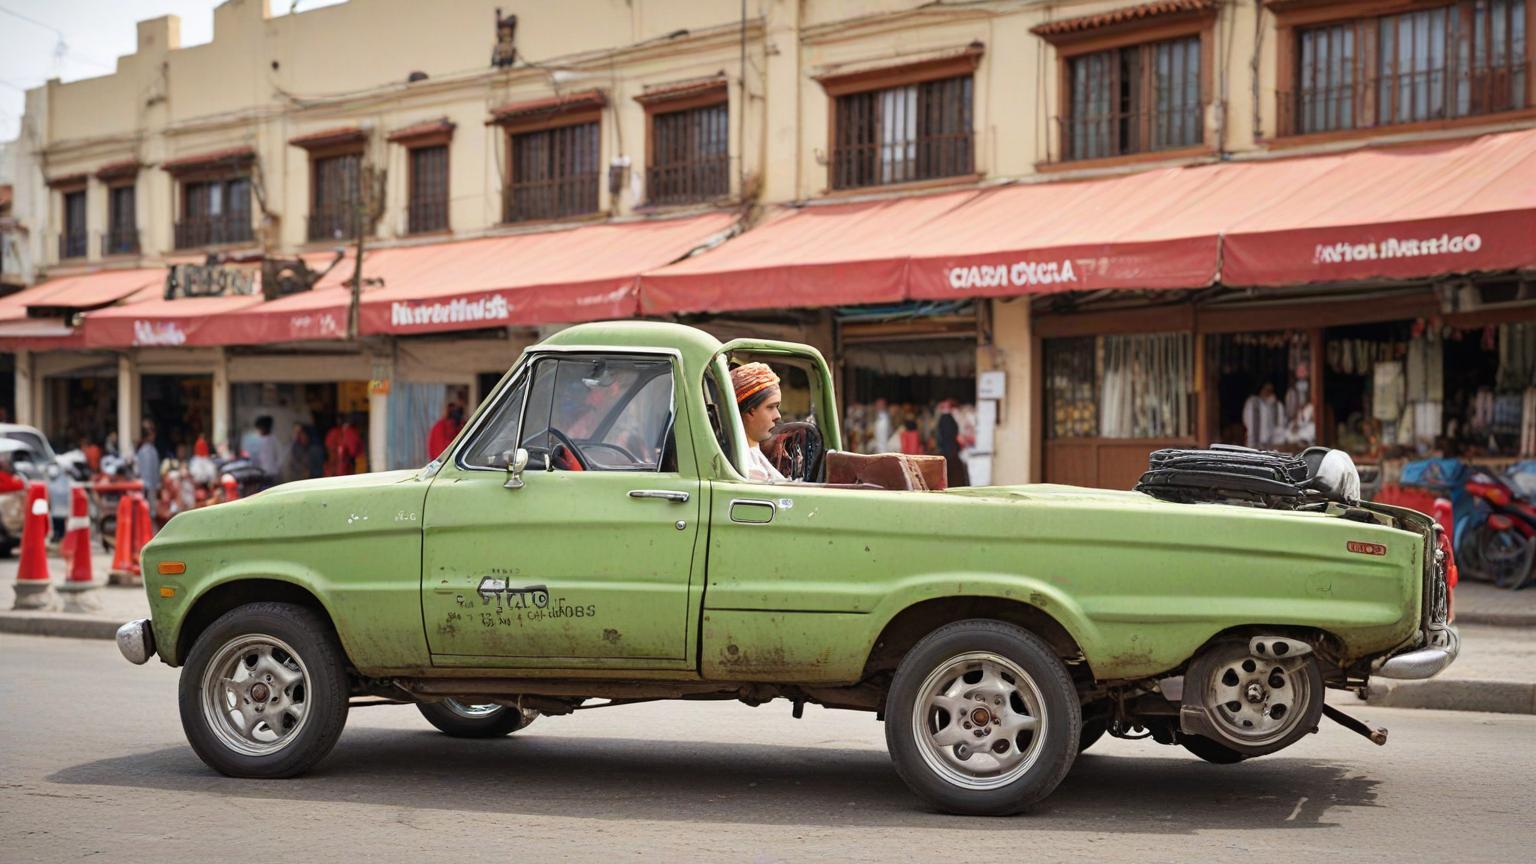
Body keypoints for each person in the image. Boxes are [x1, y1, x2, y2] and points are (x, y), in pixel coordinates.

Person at [731, 362, 785, 482]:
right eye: (771, 407)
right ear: (750, 411)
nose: (777, 416)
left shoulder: (752, 454)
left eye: (777, 407)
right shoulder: (748, 470)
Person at [135, 420, 161, 522]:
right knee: (149, 512)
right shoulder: (147, 451)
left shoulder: (147, 450)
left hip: (148, 485)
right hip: (148, 486)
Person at [249, 416, 281, 488]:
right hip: (260, 473)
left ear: (266, 428)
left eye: (260, 428)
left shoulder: (274, 440)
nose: (259, 430)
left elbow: (279, 457)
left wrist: (276, 468)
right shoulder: (257, 440)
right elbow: (255, 457)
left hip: (271, 473)